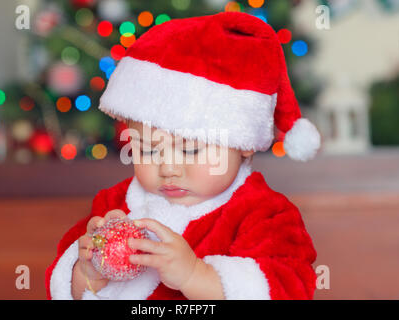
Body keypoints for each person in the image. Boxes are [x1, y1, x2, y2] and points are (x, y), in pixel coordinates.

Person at [46, 11, 321, 300]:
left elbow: (289, 286)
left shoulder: (266, 215)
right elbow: (63, 286)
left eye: (190, 149)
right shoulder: (113, 205)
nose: (168, 167)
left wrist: (194, 275)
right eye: (149, 149)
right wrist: (87, 273)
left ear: (243, 142)